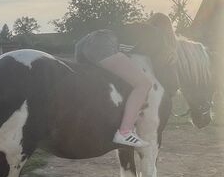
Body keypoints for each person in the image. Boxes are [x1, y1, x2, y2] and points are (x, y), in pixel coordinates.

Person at [74, 13, 177, 148]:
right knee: (143, 84)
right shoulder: (157, 34)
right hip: (102, 44)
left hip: (83, 44)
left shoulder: (135, 29)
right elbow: (158, 67)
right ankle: (124, 132)